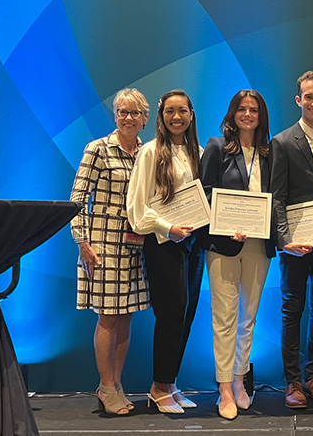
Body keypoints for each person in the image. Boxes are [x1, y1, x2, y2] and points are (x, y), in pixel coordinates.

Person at [70, 88, 150, 416]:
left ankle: (116, 384)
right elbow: (78, 197)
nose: (128, 118)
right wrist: (83, 242)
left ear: (145, 119)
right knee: (108, 316)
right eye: (122, 112)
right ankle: (104, 385)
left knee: (126, 315)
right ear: (114, 115)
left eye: (135, 113)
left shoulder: (147, 152)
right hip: (102, 246)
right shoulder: (98, 149)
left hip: (135, 246)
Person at [127, 89, 204, 414]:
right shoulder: (149, 152)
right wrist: (166, 228)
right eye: (170, 111)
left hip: (193, 244)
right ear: (160, 116)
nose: (177, 117)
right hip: (163, 245)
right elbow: (136, 207)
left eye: (183, 111)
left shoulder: (198, 152)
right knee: (170, 316)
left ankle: (170, 383)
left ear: (191, 115)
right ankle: (158, 387)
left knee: (185, 317)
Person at [200, 90, 275, 420]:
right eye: (242, 109)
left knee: (248, 319)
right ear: (232, 114)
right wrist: (226, 224)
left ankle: (240, 380)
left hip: (260, 245)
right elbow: (204, 193)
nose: (248, 114)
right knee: (224, 319)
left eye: (254, 110)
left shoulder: (270, 152)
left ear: (261, 116)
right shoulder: (216, 147)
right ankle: (224, 388)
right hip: (223, 246)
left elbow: (277, 198)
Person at [270, 70, 313, 409]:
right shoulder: (282, 142)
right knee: (291, 310)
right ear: (298, 100)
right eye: (307, 96)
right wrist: (284, 240)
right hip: (295, 244)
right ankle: (292, 382)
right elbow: (277, 198)